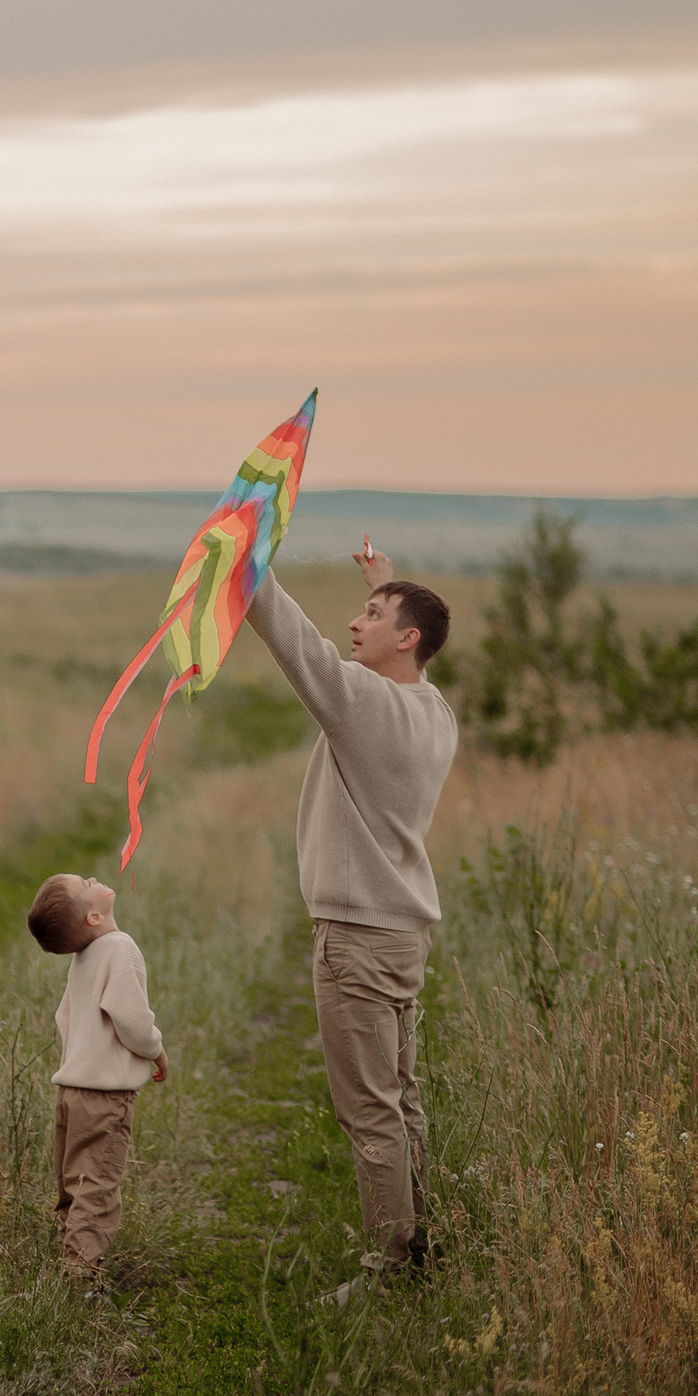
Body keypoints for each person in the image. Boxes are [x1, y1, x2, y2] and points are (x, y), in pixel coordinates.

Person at [245, 540, 457, 1305]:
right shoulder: (434, 710)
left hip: (357, 940)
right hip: (401, 935)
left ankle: (388, 1271)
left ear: (407, 639)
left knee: (369, 1111)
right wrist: (388, 587)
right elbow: (397, 652)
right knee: (401, 1100)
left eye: (371, 615)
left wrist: (246, 564)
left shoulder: (362, 704)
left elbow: (296, 642)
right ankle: (422, 1241)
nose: (354, 623)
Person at [26, 872, 167, 1281]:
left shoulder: (84, 958)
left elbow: (65, 1017)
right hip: (105, 1097)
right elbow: (132, 1020)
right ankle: (81, 1275)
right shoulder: (121, 948)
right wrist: (156, 1051)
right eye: (84, 884)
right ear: (93, 917)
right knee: (98, 1186)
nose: (92, 877)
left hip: (70, 1091)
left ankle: (67, 1261)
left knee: (74, 1183)